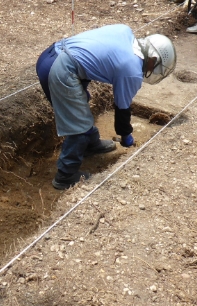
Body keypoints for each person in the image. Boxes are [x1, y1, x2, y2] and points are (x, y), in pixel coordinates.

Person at [36, 24, 177, 190]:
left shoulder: (125, 31)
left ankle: (90, 144)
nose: (152, 70)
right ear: (153, 59)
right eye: (155, 67)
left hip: (50, 56)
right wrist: (126, 136)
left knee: (79, 110)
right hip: (60, 68)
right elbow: (122, 110)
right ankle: (65, 176)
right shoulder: (131, 69)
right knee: (78, 126)